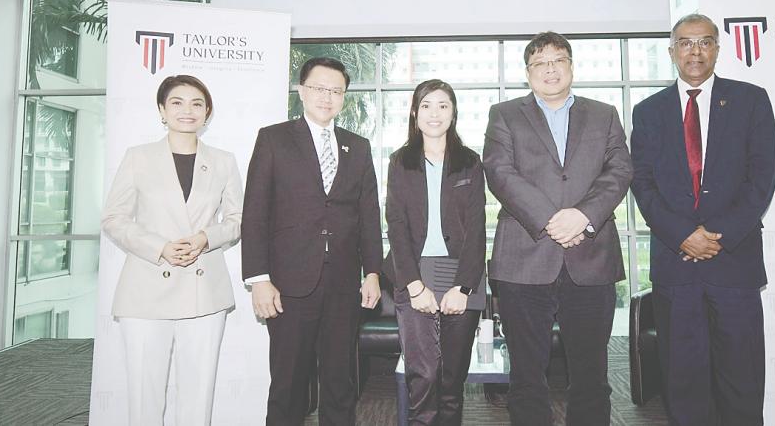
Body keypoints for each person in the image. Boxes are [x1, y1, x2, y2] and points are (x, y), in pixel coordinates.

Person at [630, 13, 775, 426]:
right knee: (683, 378)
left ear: (716, 48)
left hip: (734, 262)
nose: (695, 51)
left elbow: (762, 177)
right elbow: (641, 182)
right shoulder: (648, 111)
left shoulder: (751, 99)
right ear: (672, 51)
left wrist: (718, 236)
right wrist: (683, 236)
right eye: (686, 43)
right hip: (676, 266)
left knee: (742, 377)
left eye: (704, 42)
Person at [483, 31, 632, 426]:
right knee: (527, 376)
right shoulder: (505, 114)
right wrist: (553, 219)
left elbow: (620, 169)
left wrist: (582, 216)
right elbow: (499, 172)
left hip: (591, 258)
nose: (549, 68)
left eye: (558, 60)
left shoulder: (604, 114)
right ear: (527, 73)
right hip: (524, 260)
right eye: (540, 63)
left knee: (591, 376)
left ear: (571, 67)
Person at [241, 56, 383, 426]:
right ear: (301, 90)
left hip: (342, 285)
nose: (327, 97)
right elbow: (255, 213)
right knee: (288, 385)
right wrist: (259, 279)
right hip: (288, 285)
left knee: (340, 384)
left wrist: (373, 272)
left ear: (344, 97)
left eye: (336, 91)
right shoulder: (273, 139)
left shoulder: (359, 146)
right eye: (319, 88)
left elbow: (368, 215)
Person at [101, 74, 243, 426]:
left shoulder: (223, 161)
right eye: (177, 102)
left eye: (197, 103)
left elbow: (240, 219)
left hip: (204, 289)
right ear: (162, 110)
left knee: (198, 396)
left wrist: (205, 238)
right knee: (144, 397)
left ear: (207, 112)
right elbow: (114, 218)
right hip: (146, 290)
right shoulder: (138, 158)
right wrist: (159, 247)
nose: (187, 110)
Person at [383, 79, 487, 426]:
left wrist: (464, 287)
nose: (435, 113)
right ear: (415, 112)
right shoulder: (400, 162)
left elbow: (476, 228)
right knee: (423, 377)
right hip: (415, 273)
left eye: (443, 105)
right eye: (426, 105)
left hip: (461, 275)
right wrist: (413, 284)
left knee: (451, 381)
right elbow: (395, 225)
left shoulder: (470, 162)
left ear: (453, 113)